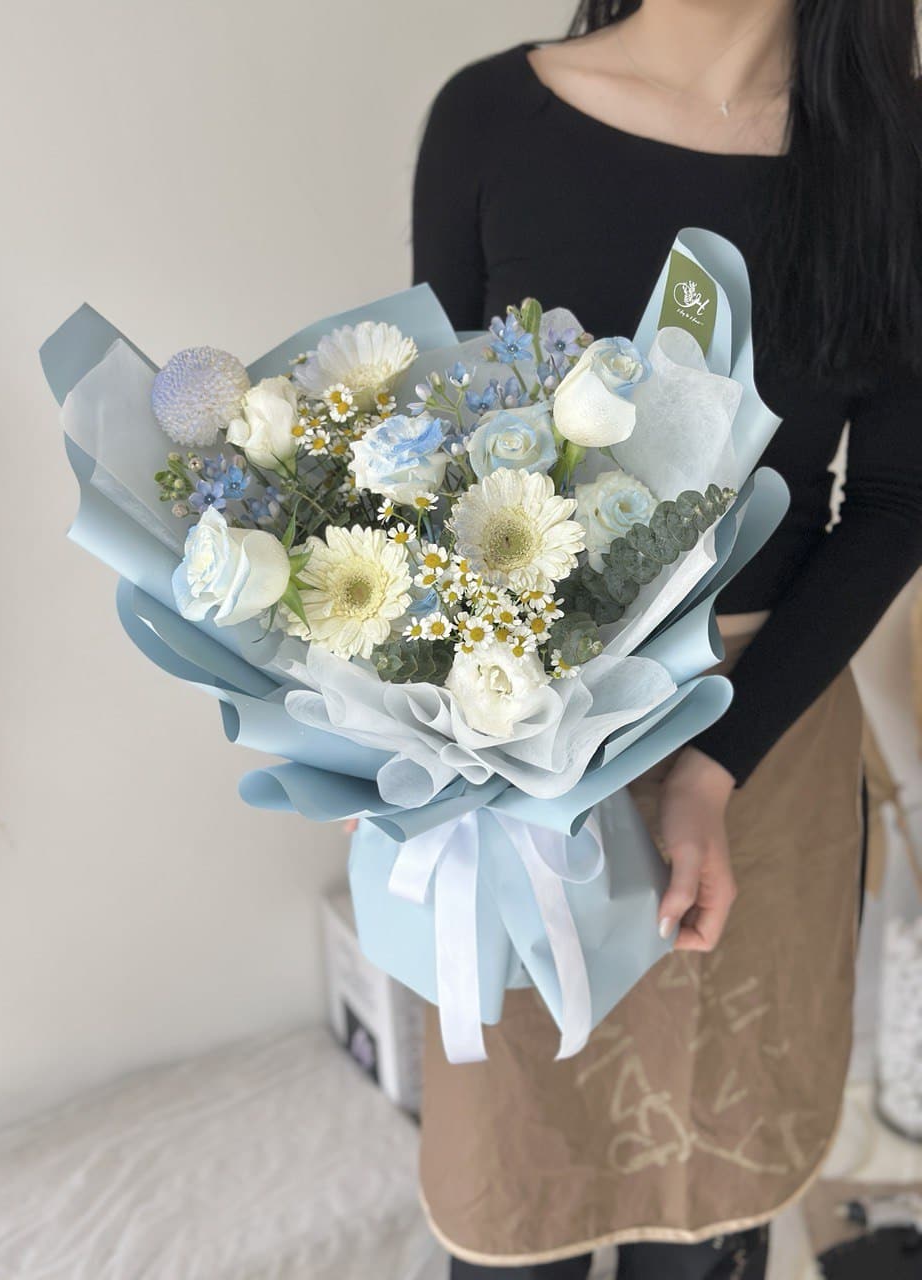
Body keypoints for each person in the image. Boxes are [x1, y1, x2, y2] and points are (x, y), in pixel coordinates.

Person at [407, 2, 922, 1278]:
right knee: (509, 1195)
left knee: (700, 1222)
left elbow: (901, 499)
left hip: (763, 735)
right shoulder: (489, 116)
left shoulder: (897, 154)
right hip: (519, 746)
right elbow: (430, 452)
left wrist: (715, 762)